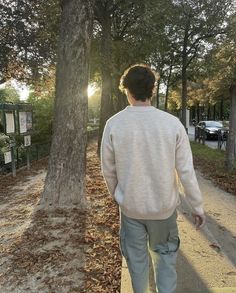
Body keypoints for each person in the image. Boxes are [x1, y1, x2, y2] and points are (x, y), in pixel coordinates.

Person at [101, 64, 205, 293]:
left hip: (131, 210)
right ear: (153, 89)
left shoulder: (114, 124)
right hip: (164, 211)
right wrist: (197, 207)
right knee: (165, 263)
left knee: (137, 266)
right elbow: (186, 170)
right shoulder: (172, 124)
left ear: (126, 89)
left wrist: (119, 196)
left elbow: (108, 169)